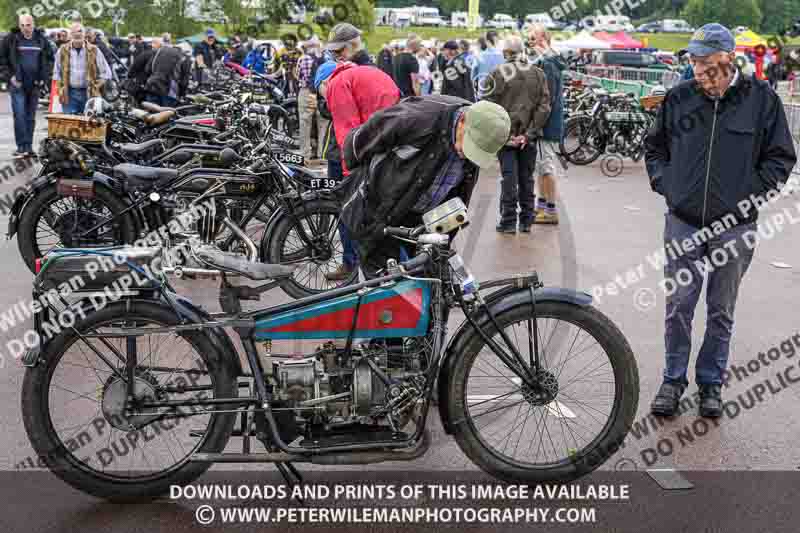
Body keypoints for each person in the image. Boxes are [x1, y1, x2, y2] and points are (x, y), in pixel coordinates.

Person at [645, 24, 796, 418]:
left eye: (707, 63)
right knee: (679, 304)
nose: (698, 70)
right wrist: (669, 186)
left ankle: (711, 384)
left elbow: (780, 158)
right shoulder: (678, 98)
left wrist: (748, 198)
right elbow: (654, 148)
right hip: (684, 221)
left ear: (728, 61)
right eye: (694, 62)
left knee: (721, 308)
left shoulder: (761, 99)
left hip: (735, 225)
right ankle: (672, 380)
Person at [339, 97, 511, 274]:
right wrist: (355, 172)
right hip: (381, 208)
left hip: (423, 214)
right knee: (384, 284)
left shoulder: (482, 132)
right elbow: (367, 135)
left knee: (430, 277)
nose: (467, 154)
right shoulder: (419, 118)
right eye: (470, 145)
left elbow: (459, 195)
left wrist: (443, 241)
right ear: (462, 121)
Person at [323, 22, 401, 280]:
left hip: (352, 154)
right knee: (381, 214)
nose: (335, 56)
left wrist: (349, 169)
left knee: (348, 210)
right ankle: (383, 269)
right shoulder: (377, 69)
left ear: (347, 48)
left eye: (337, 51)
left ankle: (353, 266)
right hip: (381, 151)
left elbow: (348, 128)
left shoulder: (343, 77)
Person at [484, 35, 550, 234]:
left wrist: (504, 134)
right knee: (526, 178)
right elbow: (544, 107)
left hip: (505, 136)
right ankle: (526, 221)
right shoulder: (538, 74)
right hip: (528, 138)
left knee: (509, 178)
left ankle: (508, 221)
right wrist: (528, 134)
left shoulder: (497, 73)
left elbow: (487, 107)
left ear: (506, 53)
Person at [529, 24, 567, 225]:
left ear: (543, 41)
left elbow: (547, 100)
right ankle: (542, 206)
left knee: (546, 168)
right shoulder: (549, 62)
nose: (530, 43)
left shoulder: (549, 65)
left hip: (546, 126)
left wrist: (537, 125)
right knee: (542, 168)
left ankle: (550, 210)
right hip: (546, 125)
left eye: (533, 39)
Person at [0, 15, 54, 157]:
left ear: (33, 24)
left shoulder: (41, 39)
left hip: (35, 85)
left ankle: (28, 147)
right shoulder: (11, 39)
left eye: (28, 25)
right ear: (19, 25)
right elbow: (2, 60)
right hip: (17, 85)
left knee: (30, 117)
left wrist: (43, 77)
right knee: (19, 115)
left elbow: (49, 59)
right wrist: (10, 77)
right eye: (23, 25)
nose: (26, 28)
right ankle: (21, 147)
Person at [53, 22, 112, 115]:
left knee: (88, 126)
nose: (77, 34)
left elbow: (106, 73)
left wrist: (95, 86)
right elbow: (56, 73)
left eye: (80, 31)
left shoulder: (94, 50)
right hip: (69, 95)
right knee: (70, 126)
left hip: (89, 95)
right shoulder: (62, 50)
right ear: (70, 35)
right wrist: (61, 89)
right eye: (74, 32)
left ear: (84, 34)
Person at [144, 37, 189, 107]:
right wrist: (182, 94)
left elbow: (147, 69)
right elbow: (184, 80)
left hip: (151, 86)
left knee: (152, 115)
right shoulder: (184, 57)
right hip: (168, 90)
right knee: (168, 114)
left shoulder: (159, 51)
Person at [297, 37, 322, 160]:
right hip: (322, 91)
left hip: (306, 91)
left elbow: (298, 75)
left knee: (305, 122)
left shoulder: (304, 58)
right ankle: (321, 153)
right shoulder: (324, 57)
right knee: (322, 123)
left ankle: (305, 154)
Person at [472, 31, 504, 100]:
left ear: (486, 41)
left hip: (483, 91)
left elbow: (473, 77)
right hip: (499, 92)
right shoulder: (503, 56)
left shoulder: (478, 56)